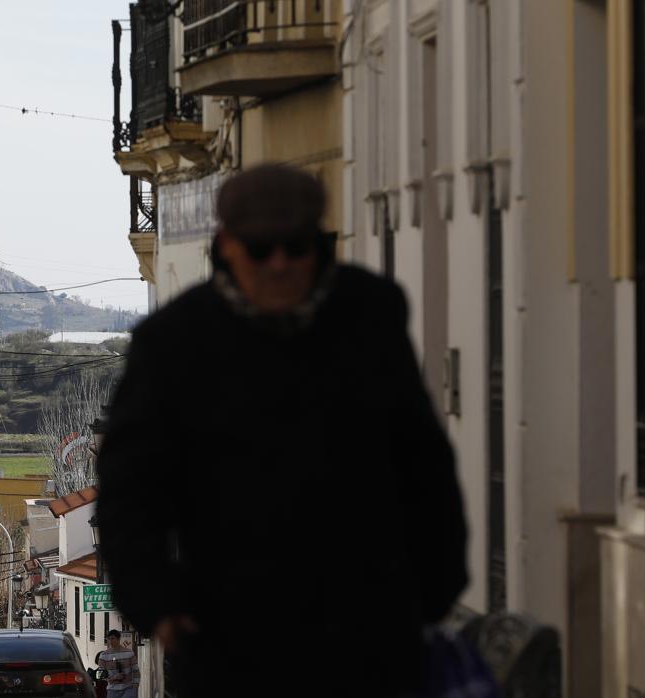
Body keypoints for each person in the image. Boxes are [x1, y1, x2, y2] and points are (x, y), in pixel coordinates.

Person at [95, 164, 468, 697]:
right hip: (231, 630)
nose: (279, 264)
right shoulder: (174, 342)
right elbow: (130, 488)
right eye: (261, 248)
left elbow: (423, 460)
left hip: (369, 626)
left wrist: (432, 589)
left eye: (295, 247)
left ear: (318, 245)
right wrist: (157, 605)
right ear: (227, 246)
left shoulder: (370, 315)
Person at [97, 630, 139, 698]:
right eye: (109, 639)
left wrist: (135, 684)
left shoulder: (129, 653)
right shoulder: (103, 656)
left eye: (113, 638)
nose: (110, 641)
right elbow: (100, 674)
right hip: (112, 690)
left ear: (119, 639)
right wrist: (114, 678)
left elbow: (136, 670)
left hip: (128, 688)